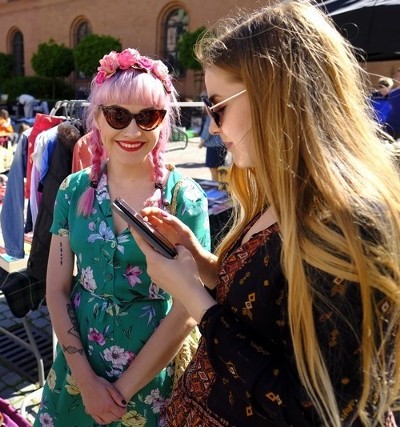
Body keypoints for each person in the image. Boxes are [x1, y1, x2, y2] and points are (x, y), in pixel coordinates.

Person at [129, 2, 400, 426]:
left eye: (217, 106)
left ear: (276, 96)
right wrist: (201, 261)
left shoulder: (350, 223)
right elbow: (265, 308)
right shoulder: (282, 192)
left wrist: (195, 301)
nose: (213, 127)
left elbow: (315, 410)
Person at [34, 48, 211, 426]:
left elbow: (186, 310)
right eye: (117, 116)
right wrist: (86, 381)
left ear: (163, 122)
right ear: (96, 117)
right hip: (78, 365)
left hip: (152, 375)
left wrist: (120, 393)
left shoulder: (184, 198)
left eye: (148, 117)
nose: (132, 131)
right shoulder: (71, 190)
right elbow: (56, 288)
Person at [198, 112, 227, 181]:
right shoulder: (224, 114)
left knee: (213, 169)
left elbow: (207, 130)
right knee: (220, 169)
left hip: (213, 145)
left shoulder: (211, 115)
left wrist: (202, 142)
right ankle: (220, 186)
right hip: (223, 144)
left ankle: (216, 186)